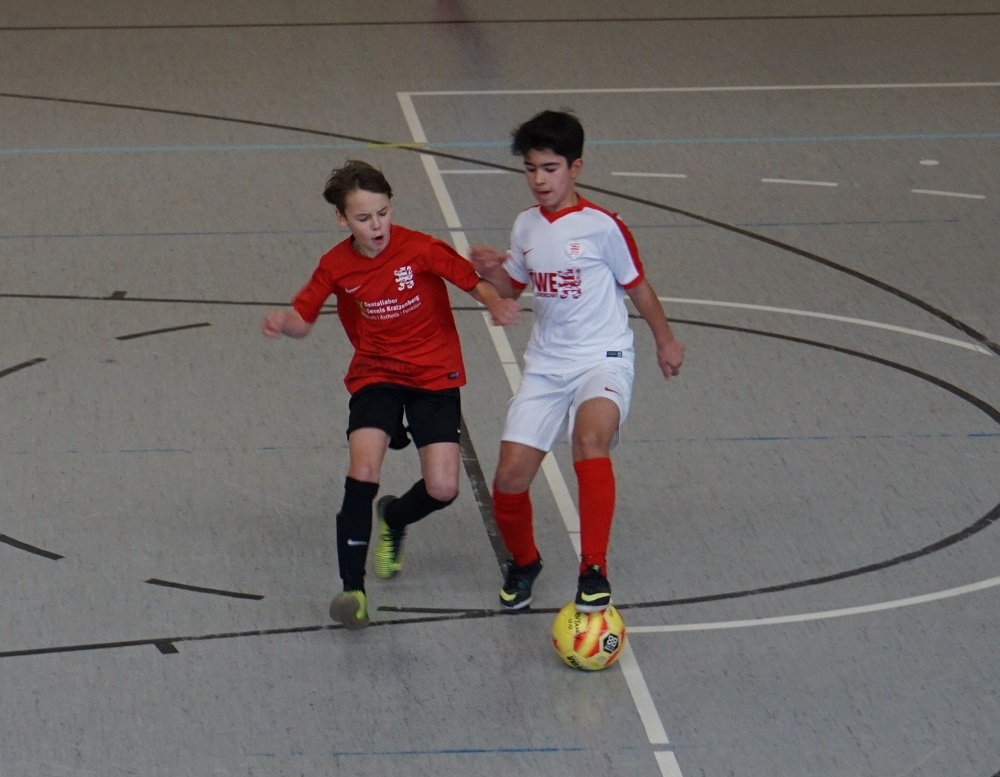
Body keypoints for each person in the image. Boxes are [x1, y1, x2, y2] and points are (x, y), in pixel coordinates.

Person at [262, 160, 519, 630]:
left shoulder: (421, 248)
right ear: (342, 219)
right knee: (363, 470)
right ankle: (353, 590)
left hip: (434, 375)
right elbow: (304, 318)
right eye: (363, 218)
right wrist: (286, 323)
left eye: (382, 213)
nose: (376, 226)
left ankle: (395, 517)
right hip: (376, 373)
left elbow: (473, 281)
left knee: (443, 489)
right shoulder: (335, 265)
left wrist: (496, 302)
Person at [469, 110, 685, 613]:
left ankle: (593, 569)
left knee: (590, 440)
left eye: (550, 168)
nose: (539, 179)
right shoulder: (525, 225)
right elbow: (511, 288)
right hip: (546, 366)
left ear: (576, 167)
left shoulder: (603, 227)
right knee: (508, 479)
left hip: (602, 358)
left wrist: (665, 341)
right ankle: (525, 563)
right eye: (531, 169)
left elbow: (639, 287)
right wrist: (490, 272)